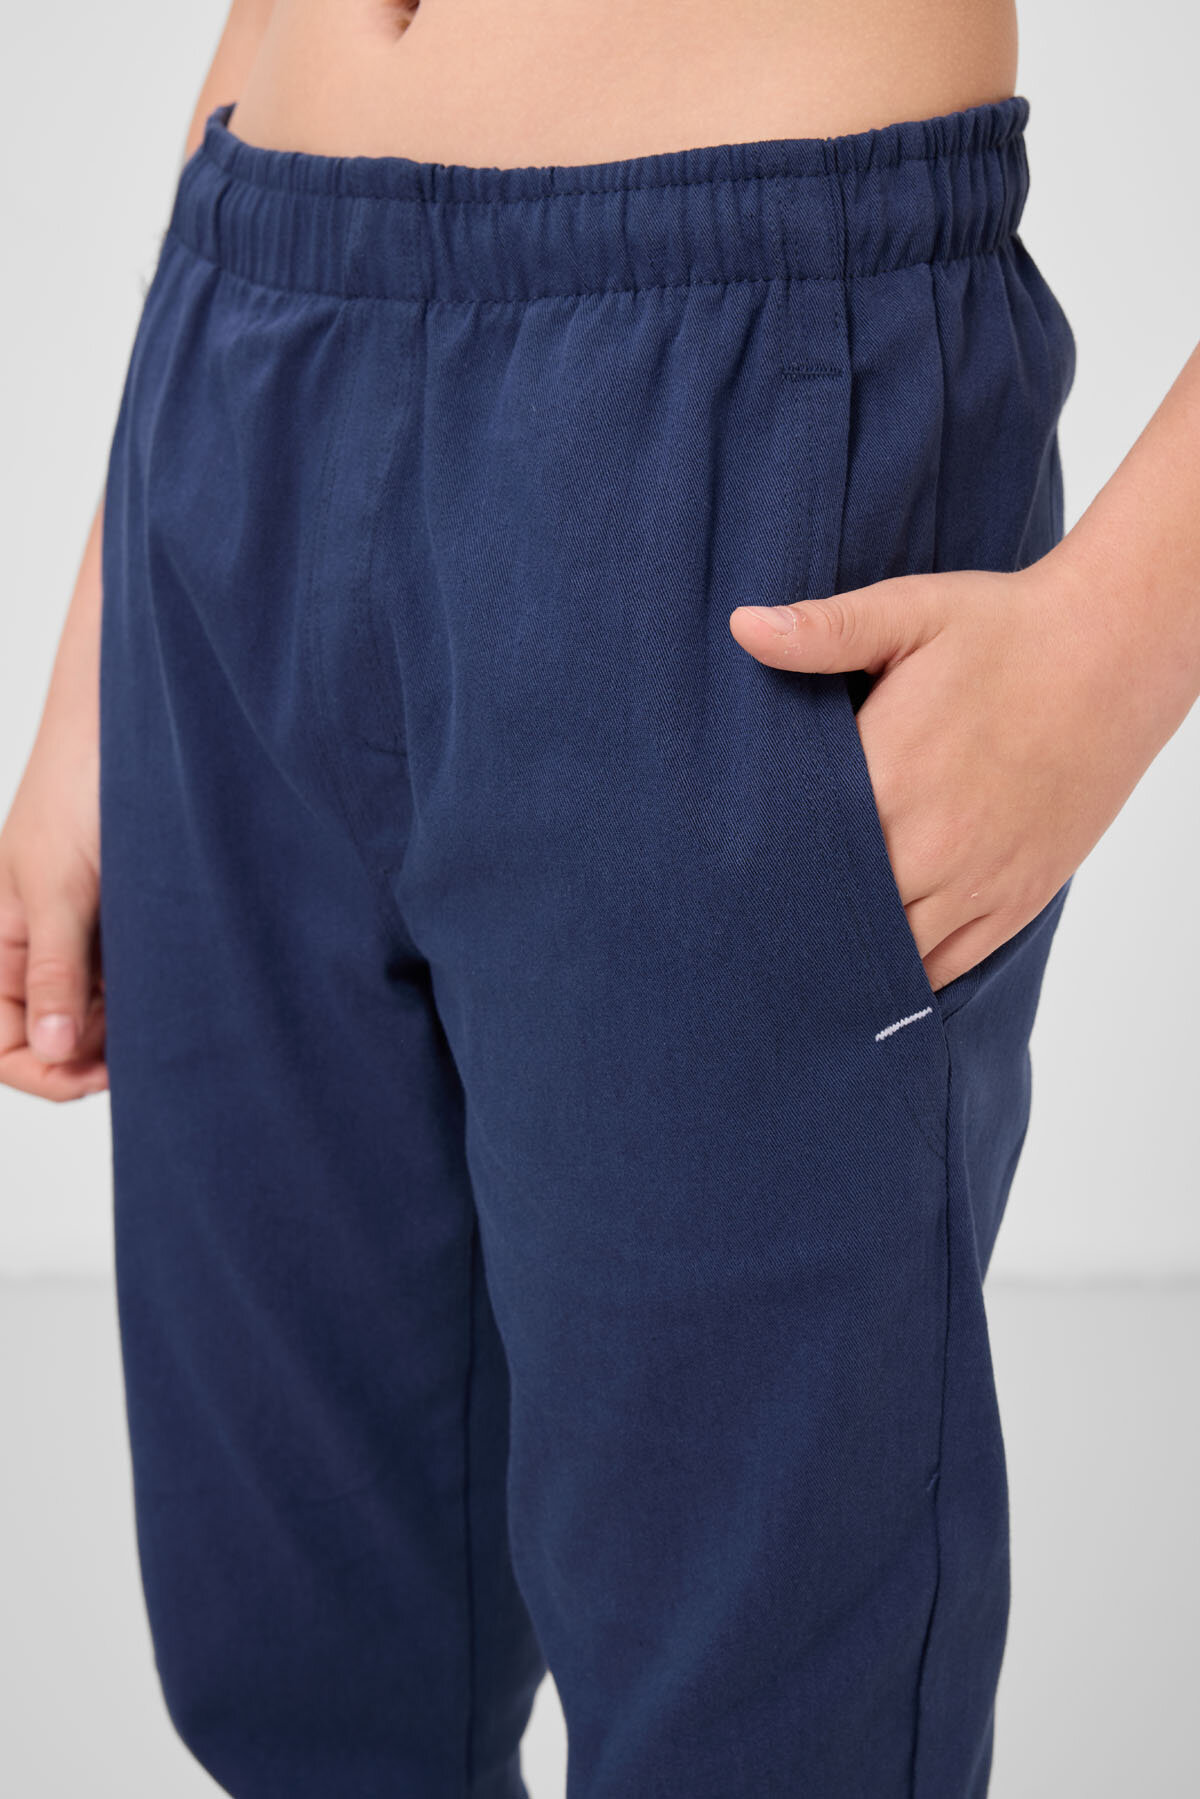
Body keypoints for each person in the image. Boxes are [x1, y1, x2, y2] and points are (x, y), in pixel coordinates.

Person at [2, 2, 1195, 1794]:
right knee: (297, 1661)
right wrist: (100, 659)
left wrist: (1122, 640)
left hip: (735, 410)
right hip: (247, 347)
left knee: (759, 1705)